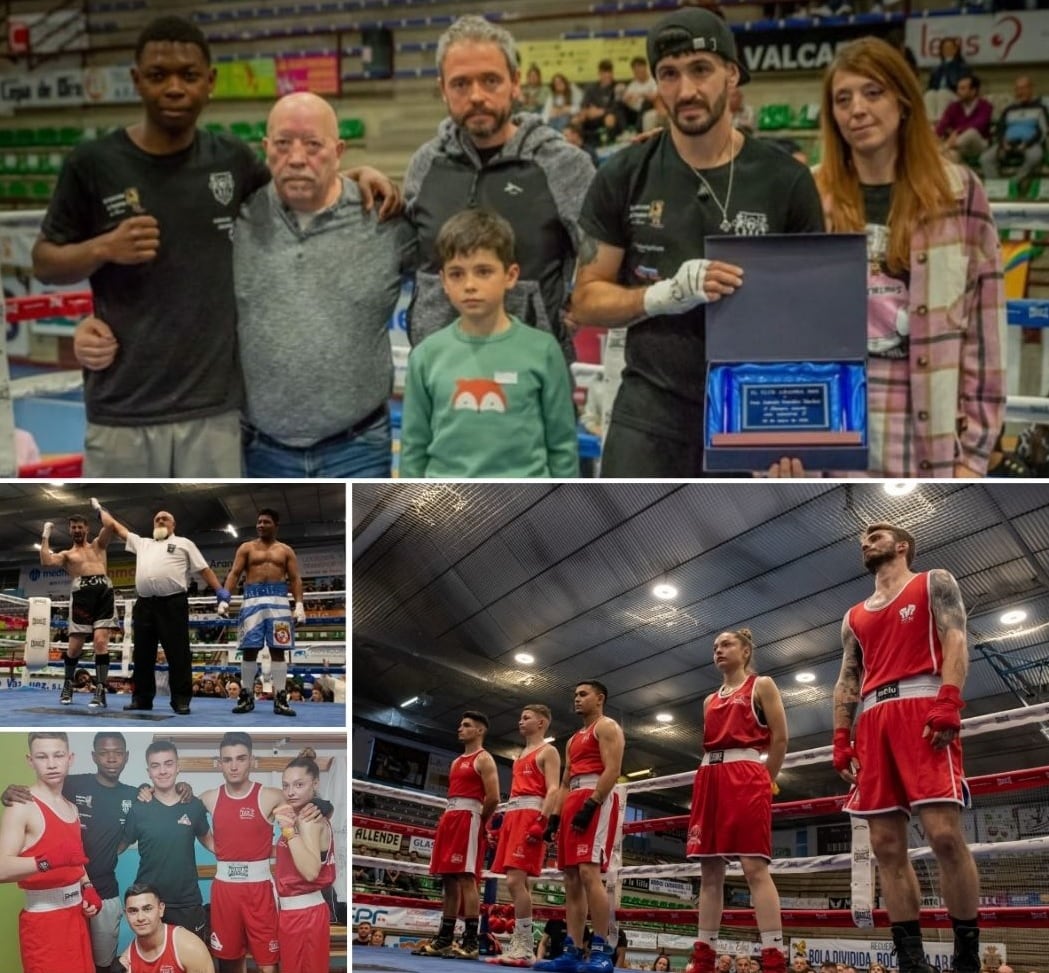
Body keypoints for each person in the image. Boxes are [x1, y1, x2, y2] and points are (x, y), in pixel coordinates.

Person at [31, 16, 396, 477]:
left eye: (188, 75)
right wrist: (103, 249)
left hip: (215, 414)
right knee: (120, 531)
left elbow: (300, 181)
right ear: (136, 81)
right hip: (123, 405)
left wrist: (356, 178)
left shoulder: (232, 160)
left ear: (210, 83)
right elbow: (45, 261)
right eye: (159, 76)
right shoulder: (92, 163)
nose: (175, 88)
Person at [571, 7, 824, 477]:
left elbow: (812, 318)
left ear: (732, 75)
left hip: (749, 410)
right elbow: (585, 300)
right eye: (669, 74)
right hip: (650, 411)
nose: (685, 90)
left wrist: (797, 430)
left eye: (700, 70)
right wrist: (662, 296)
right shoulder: (625, 175)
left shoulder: (784, 179)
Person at [795, 36, 1005, 479]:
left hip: (928, 424)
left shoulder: (960, 192)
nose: (857, 109)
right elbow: (786, 326)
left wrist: (975, 456)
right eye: (843, 98)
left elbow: (985, 329)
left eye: (873, 93)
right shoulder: (811, 194)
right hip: (834, 429)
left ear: (904, 101)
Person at [233, 91, 411, 478]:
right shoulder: (236, 220)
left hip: (360, 447)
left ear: (339, 150)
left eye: (313, 144)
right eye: (282, 144)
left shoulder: (385, 219)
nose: (297, 158)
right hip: (261, 450)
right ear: (266, 148)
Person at [404, 15, 595, 364]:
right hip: (438, 374)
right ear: (443, 89)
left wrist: (577, 306)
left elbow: (604, 256)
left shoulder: (564, 165)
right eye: (461, 84)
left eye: (490, 80)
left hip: (533, 379)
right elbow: (406, 257)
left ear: (515, 83)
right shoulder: (424, 163)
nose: (476, 96)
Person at [833, 523, 980, 973]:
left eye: (876, 534)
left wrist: (950, 698)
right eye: (862, 536)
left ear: (902, 546)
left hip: (923, 706)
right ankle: (911, 959)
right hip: (874, 720)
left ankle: (967, 956)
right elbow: (848, 678)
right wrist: (842, 735)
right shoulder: (853, 615)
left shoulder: (934, 581)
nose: (866, 539)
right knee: (886, 845)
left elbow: (955, 636)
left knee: (943, 836)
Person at [400, 208, 579, 478]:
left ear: (511, 275)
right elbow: (413, 447)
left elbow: (562, 445)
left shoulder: (542, 350)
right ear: (444, 282)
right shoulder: (426, 355)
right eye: (457, 274)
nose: (470, 285)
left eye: (483, 271)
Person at [683, 629, 788, 973]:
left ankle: (773, 958)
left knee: (754, 867)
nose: (718, 650)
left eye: (726, 644)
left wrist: (764, 779)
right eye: (714, 646)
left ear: (745, 651)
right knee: (710, 871)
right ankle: (703, 958)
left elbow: (781, 737)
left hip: (745, 775)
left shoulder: (762, 685)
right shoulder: (708, 700)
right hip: (709, 778)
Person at [2, 731, 136, 973]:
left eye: (58, 755)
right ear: (30, 760)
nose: (52, 764)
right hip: (44, 922)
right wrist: (46, 861)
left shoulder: (72, 808)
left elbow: (75, 858)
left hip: (76, 916)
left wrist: (87, 887)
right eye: (42, 756)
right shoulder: (22, 806)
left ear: (69, 759)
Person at [98, 505, 229, 715]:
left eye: (165, 518)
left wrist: (219, 590)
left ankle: (181, 700)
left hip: (173, 604)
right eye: (157, 518)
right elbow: (116, 527)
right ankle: (142, 699)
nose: (160, 521)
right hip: (144, 604)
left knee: (178, 654)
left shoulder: (183, 543)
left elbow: (203, 569)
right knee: (142, 655)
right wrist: (101, 511)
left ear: (173, 524)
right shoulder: (143, 543)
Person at [534, 681, 625, 973]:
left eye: (583, 694)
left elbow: (613, 769)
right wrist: (555, 817)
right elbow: (563, 782)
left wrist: (592, 804)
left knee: (589, 872)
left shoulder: (607, 726)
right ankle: (572, 950)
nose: (576, 699)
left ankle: (600, 950)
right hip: (572, 797)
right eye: (574, 694)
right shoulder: (573, 739)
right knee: (571, 878)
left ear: (600, 698)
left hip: (594, 797)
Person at [412, 711, 499, 959]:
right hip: (450, 816)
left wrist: (480, 821)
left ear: (480, 730)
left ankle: (471, 941)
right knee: (448, 879)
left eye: (467, 725)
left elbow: (493, 797)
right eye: (460, 724)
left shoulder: (484, 759)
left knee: (466, 878)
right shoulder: (456, 761)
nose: (460, 728)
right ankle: (445, 939)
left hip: (469, 817)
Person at [199, 732, 284, 973]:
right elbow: (184, 817)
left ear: (252, 760)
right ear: (219, 763)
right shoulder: (209, 798)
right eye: (227, 760)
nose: (234, 766)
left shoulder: (271, 796)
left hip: (259, 889)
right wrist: (215, 846)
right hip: (225, 889)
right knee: (230, 958)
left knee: (268, 961)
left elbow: (303, 821)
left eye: (240, 758)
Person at [490, 704, 562, 966]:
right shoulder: (520, 754)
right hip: (513, 815)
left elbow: (553, 789)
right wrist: (501, 824)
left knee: (513, 881)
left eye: (526, 718)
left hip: (532, 815)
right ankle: (522, 946)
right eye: (520, 717)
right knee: (520, 882)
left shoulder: (549, 751)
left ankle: (524, 944)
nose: (520, 722)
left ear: (541, 723)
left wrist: (542, 822)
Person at [120, 740, 212, 940]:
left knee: (193, 963)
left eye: (168, 764)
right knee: (153, 964)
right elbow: (118, 846)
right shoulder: (138, 809)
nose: (162, 771)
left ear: (178, 767)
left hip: (187, 902)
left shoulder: (194, 805)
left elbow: (210, 841)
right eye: (155, 765)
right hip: (148, 903)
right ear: (149, 771)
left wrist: (247, 855)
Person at [221, 507, 304, 717]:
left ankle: (281, 699)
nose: (260, 525)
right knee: (250, 649)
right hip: (252, 601)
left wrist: (300, 605)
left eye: (266, 522)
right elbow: (235, 573)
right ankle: (247, 696)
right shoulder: (246, 548)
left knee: (278, 650)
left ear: (275, 525)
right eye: (258, 522)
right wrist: (225, 598)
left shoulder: (285, 550)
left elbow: (295, 579)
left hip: (279, 603)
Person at [39, 512, 118, 708]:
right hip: (82, 597)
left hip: (103, 594)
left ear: (87, 528)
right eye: (73, 527)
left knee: (101, 642)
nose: (76, 530)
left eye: (80, 526)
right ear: (69, 530)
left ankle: (100, 690)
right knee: (74, 648)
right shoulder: (67, 555)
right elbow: (46, 561)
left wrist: (98, 509)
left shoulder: (99, 544)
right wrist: (46, 534)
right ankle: (67, 684)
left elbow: (111, 526)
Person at [272, 749, 337, 973]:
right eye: (286, 785)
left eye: (299, 785)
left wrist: (289, 831)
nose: (290, 792)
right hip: (292, 912)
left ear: (315, 783)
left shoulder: (309, 820)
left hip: (305, 913)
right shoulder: (299, 814)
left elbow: (310, 872)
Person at [118, 883, 215, 973]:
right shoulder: (127, 960)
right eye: (133, 911)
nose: (140, 918)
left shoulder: (189, 947)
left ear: (161, 909)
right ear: (126, 914)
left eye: (147, 909)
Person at [979, 75, 1049, 191]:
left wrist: (1028, 143)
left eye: (1024, 88)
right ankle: (998, 188)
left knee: (1036, 156)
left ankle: (1015, 182)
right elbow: (1000, 129)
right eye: (1018, 89)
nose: (1020, 92)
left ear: (1031, 89)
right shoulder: (1009, 109)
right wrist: (1002, 143)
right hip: (1008, 143)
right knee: (985, 158)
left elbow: (1043, 130)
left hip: (1029, 143)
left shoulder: (1040, 108)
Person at [936, 73, 993, 164]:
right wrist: (935, 135)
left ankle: (941, 149)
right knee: (950, 155)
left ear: (973, 91)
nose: (958, 91)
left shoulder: (985, 106)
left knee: (971, 132)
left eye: (962, 88)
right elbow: (942, 125)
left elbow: (979, 125)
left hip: (978, 144)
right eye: (958, 88)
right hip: (958, 146)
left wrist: (957, 132)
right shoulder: (953, 107)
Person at [574, 59, 623, 149]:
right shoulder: (591, 88)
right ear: (599, 74)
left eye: (609, 72)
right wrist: (587, 112)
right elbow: (584, 105)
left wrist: (602, 111)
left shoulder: (617, 87)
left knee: (610, 118)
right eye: (604, 73)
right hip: (592, 116)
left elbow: (618, 106)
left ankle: (609, 145)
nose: (607, 75)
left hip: (611, 116)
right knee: (577, 119)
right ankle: (578, 146)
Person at [924, 37, 968, 122]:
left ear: (955, 50)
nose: (947, 50)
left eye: (949, 48)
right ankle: (931, 124)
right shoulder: (937, 69)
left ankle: (942, 123)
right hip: (939, 95)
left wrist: (950, 65)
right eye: (944, 48)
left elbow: (961, 85)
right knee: (929, 95)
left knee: (943, 93)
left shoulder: (962, 67)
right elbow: (931, 86)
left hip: (955, 95)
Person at [621, 57, 657, 131]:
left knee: (646, 102)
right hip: (634, 112)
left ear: (645, 68)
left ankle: (638, 130)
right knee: (618, 104)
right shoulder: (633, 84)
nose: (638, 73)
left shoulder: (653, 81)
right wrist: (626, 99)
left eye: (640, 69)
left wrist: (641, 95)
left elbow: (655, 96)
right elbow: (625, 98)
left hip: (648, 109)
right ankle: (624, 131)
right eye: (635, 71)